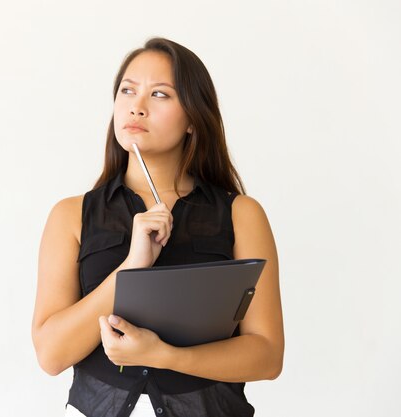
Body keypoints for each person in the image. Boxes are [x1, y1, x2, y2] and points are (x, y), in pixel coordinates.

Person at [31, 37, 284, 417]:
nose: (137, 106)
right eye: (127, 90)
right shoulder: (72, 215)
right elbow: (51, 355)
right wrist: (131, 266)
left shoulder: (241, 214)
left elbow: (266, 355)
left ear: (193, 120)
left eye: (160, 95)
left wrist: (165, 356)